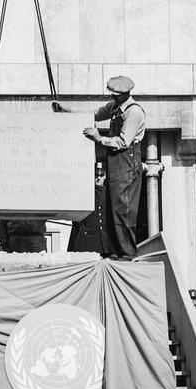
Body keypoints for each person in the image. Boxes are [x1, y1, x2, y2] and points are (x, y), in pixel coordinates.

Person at [82, 75, 146, 259]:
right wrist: (67, 110)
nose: (113, 98)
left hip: (127, 161)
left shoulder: (133, 112)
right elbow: (96, 113)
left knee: (123, 208)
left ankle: (126, 252)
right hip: (117, 163)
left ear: (126, 94)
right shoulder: (115, 107)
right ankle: (117, 250)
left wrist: (98, 138)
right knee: (112, 204)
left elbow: (123, 141)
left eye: (116, 95)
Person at [67, 165, 111, 255]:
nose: (98, 178)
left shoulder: (110, 193)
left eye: (101, 175)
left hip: (105, 242)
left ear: (105, 176)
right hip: (87, 242)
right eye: (96, 175)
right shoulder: (84, 193)